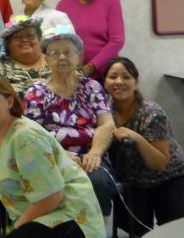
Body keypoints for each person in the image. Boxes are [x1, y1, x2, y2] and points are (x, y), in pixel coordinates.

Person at [0, 76, 105, 237]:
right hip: (38, 218)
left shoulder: (25, 136)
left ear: (9, 102)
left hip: (68, 217)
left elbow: (52, 196)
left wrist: (16, 228)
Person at [24, 25, 116, 222]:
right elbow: (31, 135)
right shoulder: (36, 92)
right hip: (51, 157)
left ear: (78, 57)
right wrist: (60, 155)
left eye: (68, 52)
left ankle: (97, 229)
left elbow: (107, 124)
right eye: (55, 53)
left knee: (98, 182)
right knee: (50, 186)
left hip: (90, 156)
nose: (62, 57)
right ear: (46, 59)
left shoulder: (92, 87)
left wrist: (95, 153)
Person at [103, 57, 184, 236]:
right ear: (104, 82)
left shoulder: (151, 113)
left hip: (168, 177)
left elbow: (160, 164)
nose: (119, 82)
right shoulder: (103, 110)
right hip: (133, 180)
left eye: (126, 77)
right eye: (113, 77)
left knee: (172, 230)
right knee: (136, 229)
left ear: (136, 82)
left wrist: (137, 138)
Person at [55, 0, 125, 79]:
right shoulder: (63, 5)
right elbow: (60, 41)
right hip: (74, 73)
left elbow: (117, 41)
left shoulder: (111, 1)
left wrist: (90, 66)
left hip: (107, 74)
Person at [0, 15, 51, 97]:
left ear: (39, 39)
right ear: (8, 45)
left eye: (30, 35)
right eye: (17, 37)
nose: (24, 40)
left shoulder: (55, 61)